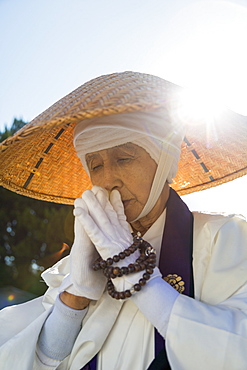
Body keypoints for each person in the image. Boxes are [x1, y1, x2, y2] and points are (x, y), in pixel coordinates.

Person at [0, 71, 247, 370]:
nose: (108, 180)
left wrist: (140, 279)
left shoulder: (225, 240)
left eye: (124, 158)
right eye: (96, 165)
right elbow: (34, 361)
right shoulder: (76, 266)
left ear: (163, 160)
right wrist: (75, 297)